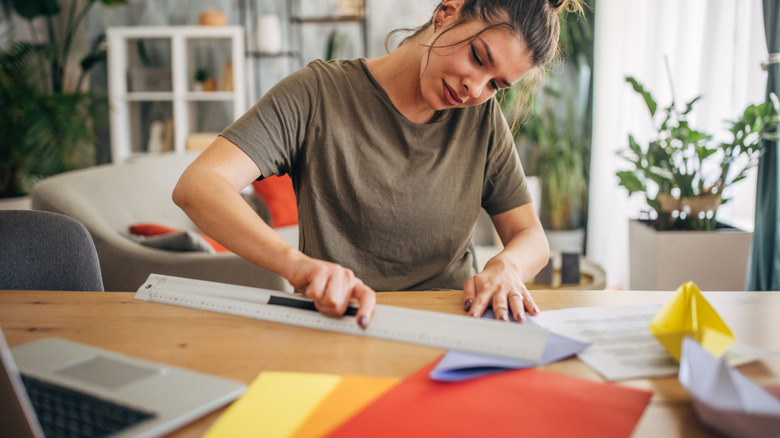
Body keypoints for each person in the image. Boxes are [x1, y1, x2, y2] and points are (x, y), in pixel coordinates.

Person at [173, 0, 582, 329]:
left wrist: (506, 268)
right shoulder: (317, 94)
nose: (474, 89)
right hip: (340, 322)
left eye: (496, 85)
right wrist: (297, 267)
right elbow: (200, 184)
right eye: (478, 57)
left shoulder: (482, 120)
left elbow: (532, 237)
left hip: (456, 328)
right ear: (447, 12)